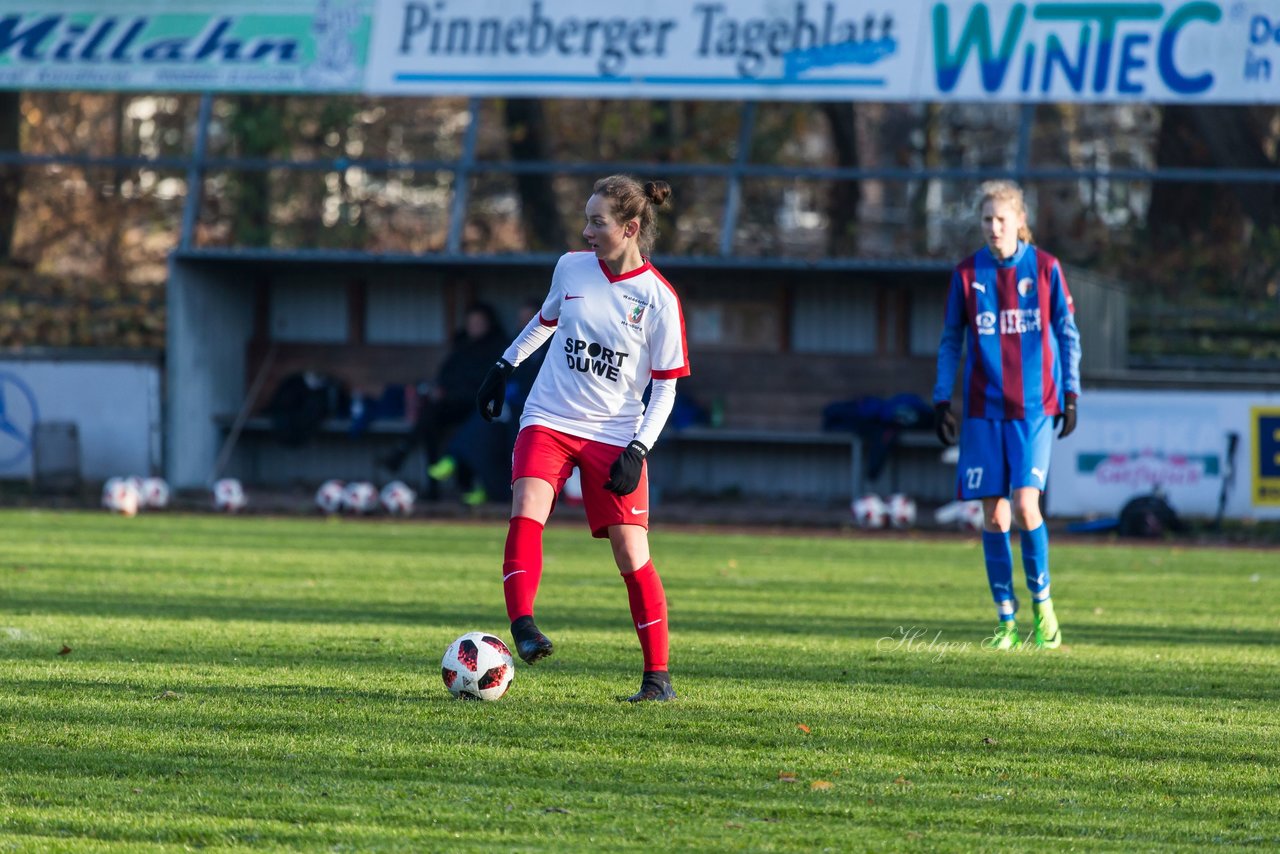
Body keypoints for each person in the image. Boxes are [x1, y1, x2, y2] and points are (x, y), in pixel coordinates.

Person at [475, 175, 689, 702]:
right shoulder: (571, 267)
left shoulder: (658, 300)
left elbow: (665, 390)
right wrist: (503, 366)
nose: (586, 230)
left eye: (598, 221)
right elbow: (544, 322)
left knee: (631, 552)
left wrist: (638, 450)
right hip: (548, 417)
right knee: (527, 505)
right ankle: (523, 626)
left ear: (631, 228)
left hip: (614, 435)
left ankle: (657, 679)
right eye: (587, 219)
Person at [932, 180, 1081, 651]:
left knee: (1024, 506)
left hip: (1033, 409)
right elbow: (951, 339)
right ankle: (1006, 622)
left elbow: (1068, 332)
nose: (994, 228)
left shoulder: (1045, 269)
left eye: (1002, 219)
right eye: (986, 220)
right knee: (994, 518)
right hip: (982, 410)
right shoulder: (966, 275)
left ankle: (1043, 606)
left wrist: (1072, 394)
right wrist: (941, 399)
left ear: (1020, 221)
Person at [382, 302, 507, 504]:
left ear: (489, 324)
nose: (474, 326)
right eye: (471, 322)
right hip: (452, 402)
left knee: (466, 429)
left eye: (479, 322)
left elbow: (487, 382)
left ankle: (403, 450)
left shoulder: (497, 347)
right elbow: (446, 375)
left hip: (478, 405)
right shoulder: (462, 346)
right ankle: (431, 485)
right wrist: (440, 389)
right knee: (430, 420)